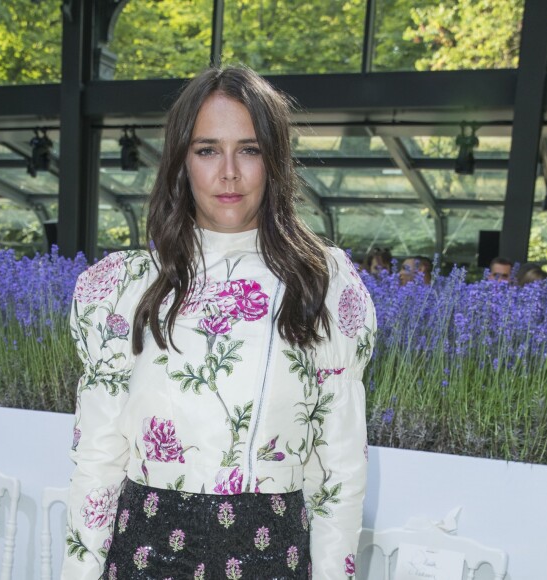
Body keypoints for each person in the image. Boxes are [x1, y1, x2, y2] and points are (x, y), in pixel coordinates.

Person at [62, 65, 376, 579]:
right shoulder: (123, 288)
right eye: (207, 149)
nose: (228, 172)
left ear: (273, 161)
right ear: (181, 161)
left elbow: (339, 472)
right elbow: (97, 461)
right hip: (146, 556)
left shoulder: (322, 283)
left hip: (273, 557)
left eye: (249, 149)